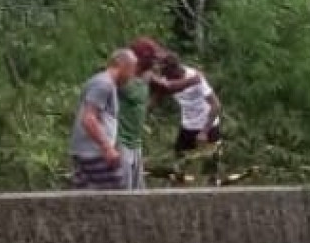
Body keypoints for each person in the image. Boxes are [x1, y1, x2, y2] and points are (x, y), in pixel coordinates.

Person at [70, 49, 138, 191]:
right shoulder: (103, 84)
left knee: (86, 201)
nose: (132, 76)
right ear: (121, 65)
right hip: (95, 154)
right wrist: (107, 148)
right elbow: (88, 119)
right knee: (118, 196)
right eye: (132, 70)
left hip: (84, 151)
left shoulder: (101, 82)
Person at [152, 53, 223, 183]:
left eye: (169, 76)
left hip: (208, 126)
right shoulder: (166, 78)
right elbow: (157, 96)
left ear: (176, 69)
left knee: (209, 169)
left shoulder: (195, 77)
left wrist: (204, 132)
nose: (168, 79)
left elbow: (216, 105)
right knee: (180, 166)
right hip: (187, 126)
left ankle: (212, 190)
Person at [118, 38, 165, 190]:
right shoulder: (124, 79)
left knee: (139, 193)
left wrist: (159, 92)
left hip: (135, 142)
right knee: (122, 193)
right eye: (152, 59)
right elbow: (135, 93)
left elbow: (143, 108)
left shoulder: (142, 80)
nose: (154, 63)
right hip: (119, 141)